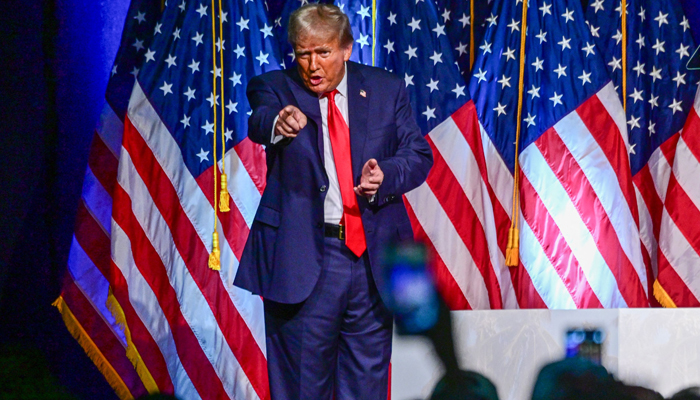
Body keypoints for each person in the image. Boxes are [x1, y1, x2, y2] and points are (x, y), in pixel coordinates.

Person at [233, 3, 433, 399]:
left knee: (367, 386)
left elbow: (418, 155)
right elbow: (260, 119)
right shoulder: (275, 86)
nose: (311, 65)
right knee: (304, 388)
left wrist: (385, 176)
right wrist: (277, 122)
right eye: (302, 53)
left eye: (322, 52)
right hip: (307, 259)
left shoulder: (385, 87)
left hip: (374, 263)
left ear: (346, 49)